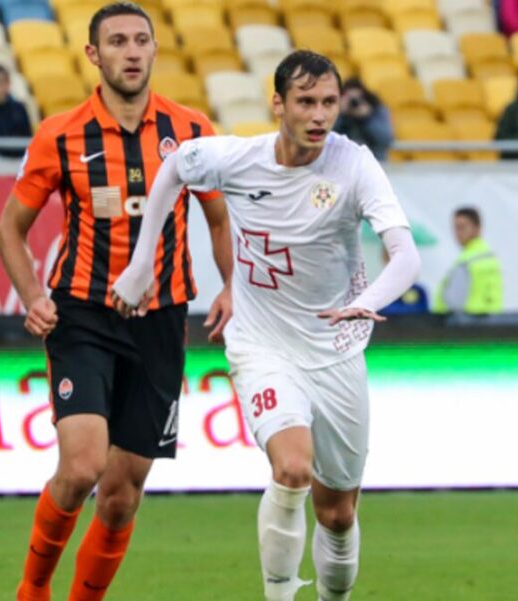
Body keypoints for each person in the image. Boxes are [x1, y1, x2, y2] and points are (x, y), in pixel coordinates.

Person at [113, 50, 422, 601]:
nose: (319, 115)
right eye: (306, 102)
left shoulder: (354, 164)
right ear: (277, 103)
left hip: (336, 350)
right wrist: (140, 267)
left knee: (338, 512)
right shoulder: (237, 159)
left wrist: (366, 301)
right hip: (261, 343)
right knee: (293, 468)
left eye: (328, 102)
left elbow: (405, 257)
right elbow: (175, 168)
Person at [0, 3, 233, 601]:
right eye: (117, 41)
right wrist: (32, 296)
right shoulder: (60, 134)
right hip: (83, 314)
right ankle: (32, 590)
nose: (131, 51)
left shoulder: (193, 132)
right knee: (80, 468)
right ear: (93, 55)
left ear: (155, 51)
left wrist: (232, 287)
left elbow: (219, 220)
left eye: (141, 40)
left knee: (123, 492)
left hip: (162, 322)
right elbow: (10, 229)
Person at [432, 207, 503, 315]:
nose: (457, 233)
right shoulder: (490, 258)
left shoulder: (467, 261)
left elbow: (454, 301)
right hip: (490, 325)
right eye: (455, 227)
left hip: (465, 325)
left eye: (462, 227)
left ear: (477, 229)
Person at [332, 78, 393, 162]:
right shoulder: (337, 112)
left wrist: (367, 119)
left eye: (357, 99)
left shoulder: (377, 110)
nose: (354, 103)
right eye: (350, 99)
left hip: (374, 160)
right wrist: (340, 114)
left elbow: (385, 140)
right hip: (343, 162)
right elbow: (328, 136)